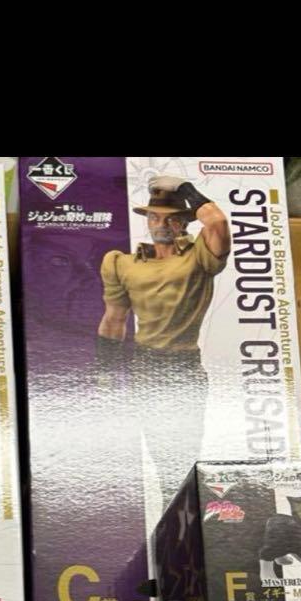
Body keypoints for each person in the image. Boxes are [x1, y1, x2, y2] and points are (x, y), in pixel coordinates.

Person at [98, 175, 231, 500]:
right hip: (145, 366)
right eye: (155, 217)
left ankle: (183, 506)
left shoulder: (198, 256)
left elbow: (216, 222)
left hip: (184, 365)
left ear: (184, 221)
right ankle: (170, 508)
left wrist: (185, 189)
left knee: (185, 448)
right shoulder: (121, 263)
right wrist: (105, 371)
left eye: (171, 218)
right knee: (159, 451)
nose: (161, 224)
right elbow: (114, 319)